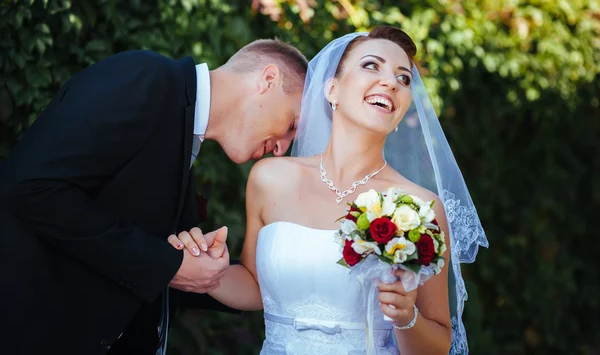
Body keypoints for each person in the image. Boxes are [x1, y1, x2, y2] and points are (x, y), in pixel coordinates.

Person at [170, 26, 489, 354]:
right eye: (371, 65)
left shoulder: (420, 206)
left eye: (403, 78)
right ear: (332, 90)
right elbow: (255, 287)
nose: (391, 82)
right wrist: (211, 270)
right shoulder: (269, 179)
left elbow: (439, 342)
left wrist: (405, 317)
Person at [0, 39, 308, 355]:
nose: (282, 148)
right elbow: (32, 187)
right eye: (292, 125)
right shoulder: (146, 78)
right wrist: (167, 265)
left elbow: (132, 254)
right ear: (268, 80)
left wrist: (204, 270)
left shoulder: (184, 137)